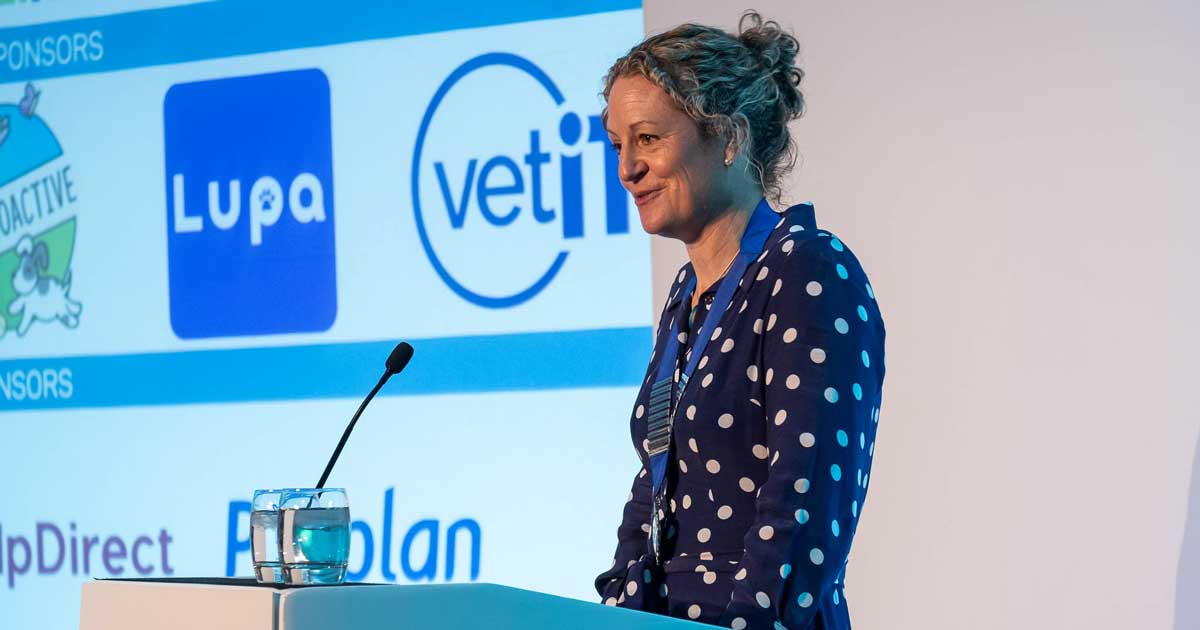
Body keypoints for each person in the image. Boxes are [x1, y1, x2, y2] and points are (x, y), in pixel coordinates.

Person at [593, 12, 886, 630]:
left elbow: (800, 508)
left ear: (728, 138)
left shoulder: (808, 270)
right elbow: (655, 489)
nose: (627, 168)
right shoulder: (686, 294)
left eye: (648, 138)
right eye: (617, 144)